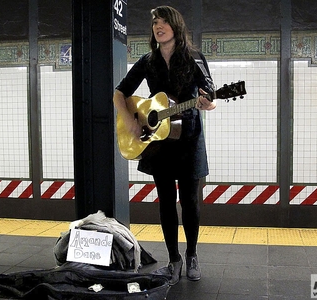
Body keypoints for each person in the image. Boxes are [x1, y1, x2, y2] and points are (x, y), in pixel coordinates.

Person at [113, 6, 216, 285]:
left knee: (191, 201)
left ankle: (192, 254)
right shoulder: (148, 61)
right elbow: (120, 93)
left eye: (163, 22)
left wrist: (208, 101)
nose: (158, 27)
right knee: (166, 202)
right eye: (155, 23)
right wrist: (130, 121)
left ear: (176, 27)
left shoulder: (193, 57)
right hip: (158, 141)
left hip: (190, 138)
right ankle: (174, 259)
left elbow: (209, 91)